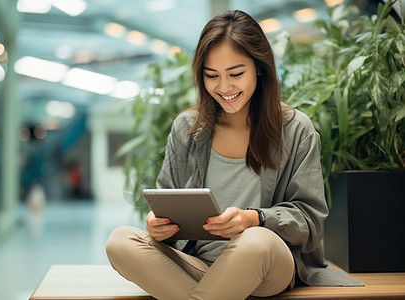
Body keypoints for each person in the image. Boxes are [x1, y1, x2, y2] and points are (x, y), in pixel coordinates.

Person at [106, 10, 362, 300]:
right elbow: (166, 201)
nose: (224, 87)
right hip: (199, 265)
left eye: (236, 74)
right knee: (120, 241)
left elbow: (310, 223)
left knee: (255, 241)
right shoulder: (186, 129)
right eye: (212, 76)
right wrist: (158, 225)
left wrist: (255, 219)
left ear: (259, 68)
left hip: (266, 265)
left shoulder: (296, 129)